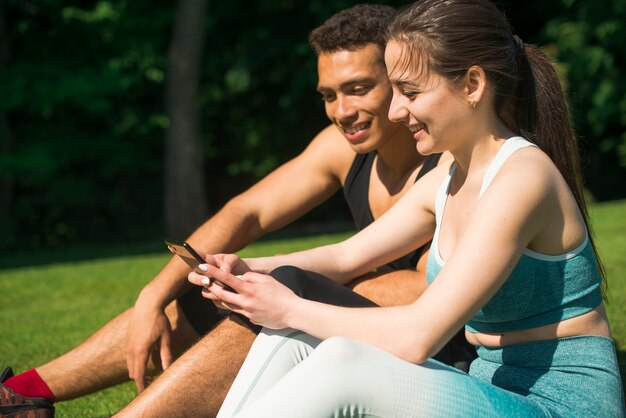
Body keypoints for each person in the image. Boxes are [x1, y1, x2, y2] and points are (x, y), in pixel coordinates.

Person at [0, 5, 476, 418]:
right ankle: (20, 394)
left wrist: (291, 293)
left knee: (273, 301)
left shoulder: (453, 158)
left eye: (358, 89)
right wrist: (155, 294)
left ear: (400, 80)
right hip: (352, 322)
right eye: (328, 95)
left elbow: (426, 290)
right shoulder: (342, 149)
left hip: (441, 350)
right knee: (212, 291)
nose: (341, 110)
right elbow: (248, 212)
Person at [188, 0, 626, 416]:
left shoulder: (522, 177)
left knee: (343, 359)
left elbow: (419, 335)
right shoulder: (449, 177)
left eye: (410, 92)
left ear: (472, 85)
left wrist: (286, 306)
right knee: (293, 338)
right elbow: (346, 256)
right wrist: (248, 270)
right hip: (490, 391)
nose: (397, 111)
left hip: (560, 409)